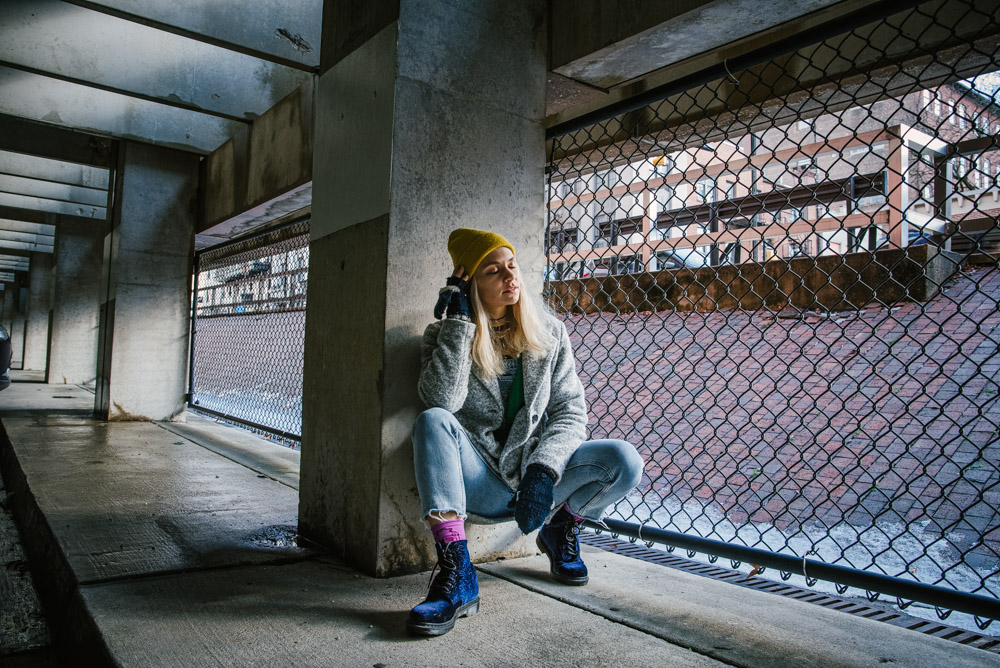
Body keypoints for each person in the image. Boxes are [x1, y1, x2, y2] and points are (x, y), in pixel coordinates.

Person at [408, 228, 644, 636]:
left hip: (537, 481)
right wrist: (459, 322)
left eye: (512, 266)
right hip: (480, 483)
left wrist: (543, 470)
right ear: (470, 282)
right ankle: (457, 574)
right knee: (432, 421)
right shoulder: (443, 335)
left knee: (623, 460)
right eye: (493, 271)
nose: (509, 276)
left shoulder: (550, 333)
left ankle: (560, 528)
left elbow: (570, 412)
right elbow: (442, 400)